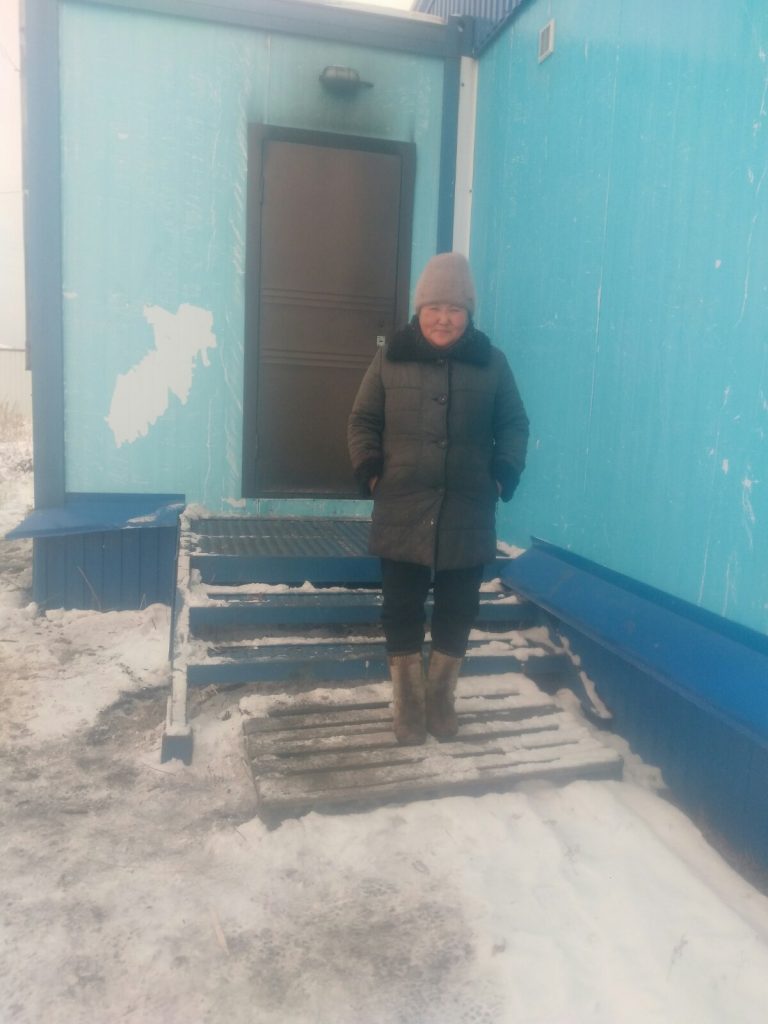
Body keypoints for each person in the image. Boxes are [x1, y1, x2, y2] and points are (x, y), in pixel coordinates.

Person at [347, 252, 529, 745]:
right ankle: (408, 705)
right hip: (402, 505)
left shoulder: (493, 363)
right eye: (434, 308)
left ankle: (441, 699)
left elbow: (514, 424)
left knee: (459, 607)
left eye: (454, 309)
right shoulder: (391, 358)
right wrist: (371, 473)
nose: (443, 318)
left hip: (468, 507)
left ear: (468, 313)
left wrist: (502, 475)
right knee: (401, 606)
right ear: (419, 309)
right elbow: (363, 420)